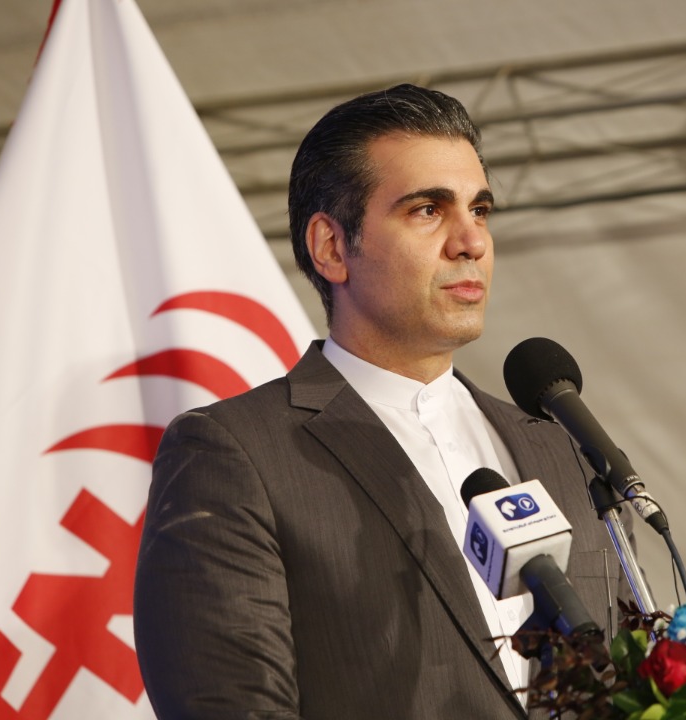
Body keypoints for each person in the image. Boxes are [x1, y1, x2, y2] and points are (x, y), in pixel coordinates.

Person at [133, 84, 629, 720]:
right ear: (332, 248)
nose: (471, 241)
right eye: (428, 209)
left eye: (480, 210)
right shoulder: (235, 453)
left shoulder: (559, 443)